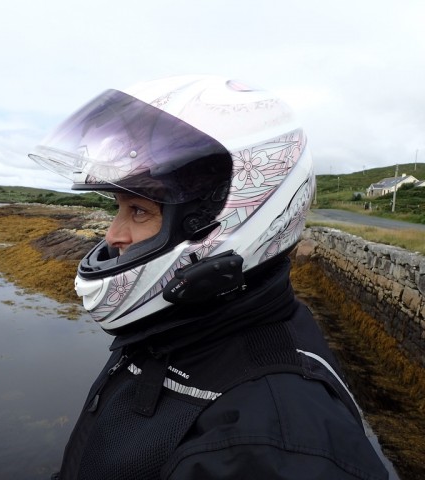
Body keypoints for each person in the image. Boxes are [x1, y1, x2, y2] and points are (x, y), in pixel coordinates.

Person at [29, 75, 390, 479]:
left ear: (217, 224)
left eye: (139, 211)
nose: (113, 235)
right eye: (119, 207)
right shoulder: (178, 327)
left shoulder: (271, 445)